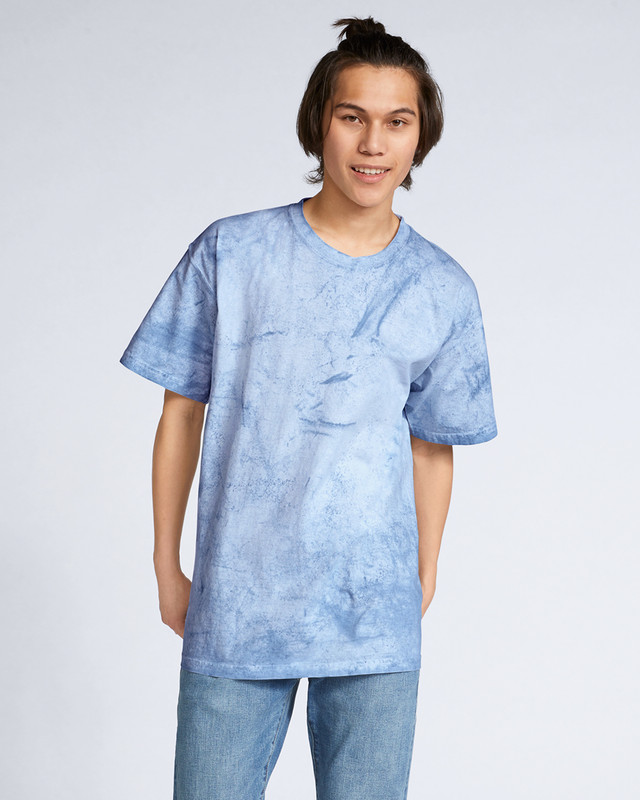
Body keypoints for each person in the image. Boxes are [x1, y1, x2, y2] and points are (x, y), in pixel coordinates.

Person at [119, 15, 498, 800]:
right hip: (238, 601)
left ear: (420, 137)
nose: (373, 143)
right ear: (319, 122)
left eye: (397, 122)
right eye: (352, 117)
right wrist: (166, 566)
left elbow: (432, 445)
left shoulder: (441, 288)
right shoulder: (233, 253)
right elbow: (180, 414)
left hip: (372, 614)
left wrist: (422, 577)